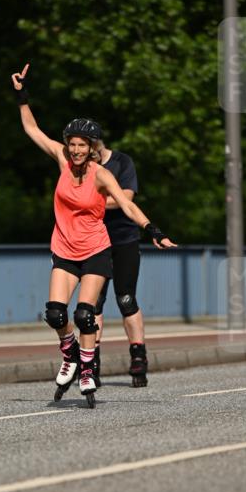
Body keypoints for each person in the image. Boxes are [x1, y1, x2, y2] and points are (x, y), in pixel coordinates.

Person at [10, 63, 176, 405]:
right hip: (65, 250)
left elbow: (128, 206)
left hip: (96, 251)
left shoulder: (102, 175)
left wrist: (152, 229)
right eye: (71, 144)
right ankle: (70, 354)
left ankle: (86, 370)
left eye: (81, 145)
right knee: (56, 313)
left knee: (86, 314)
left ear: (92, 147)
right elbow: (32, 130)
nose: (74, 150)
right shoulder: (61, 160)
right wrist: (21, 95)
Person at [92, 138, 150, 387]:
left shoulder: (122, 162)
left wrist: (93, 200)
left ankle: (138, 356)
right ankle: (91, 362)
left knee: (126, 299)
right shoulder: (81, 168)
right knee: (93, 304)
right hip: (94, 241)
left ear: (97, 146)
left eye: (88, 149)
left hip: (124, 239)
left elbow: (125, 198)